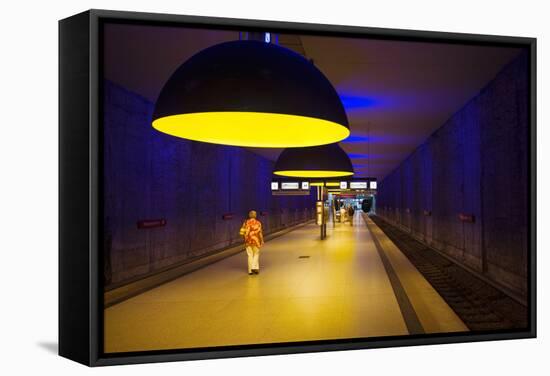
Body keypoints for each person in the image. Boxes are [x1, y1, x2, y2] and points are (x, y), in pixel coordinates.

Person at [241, 210, 264, 275]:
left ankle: (250, 271)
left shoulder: (246, 222)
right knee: (256, 254)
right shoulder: (258, 223)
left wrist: (245, 238)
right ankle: (254, 267)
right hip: (256, 241)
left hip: (248, 240)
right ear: (255, 215)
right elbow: (260, 233)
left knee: (250, 255)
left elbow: (242, 232)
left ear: (249, 215)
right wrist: (262, 240)